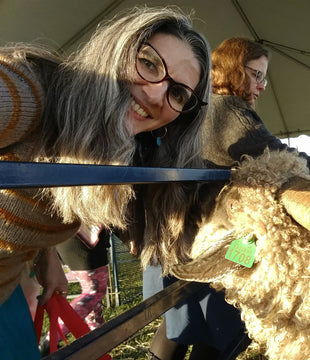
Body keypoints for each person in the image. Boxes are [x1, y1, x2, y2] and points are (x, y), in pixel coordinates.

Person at [145, 37, 310, 359]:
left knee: (177, 322)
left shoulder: (193, 109)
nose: (262, 85)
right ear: (234, 69)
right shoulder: (226, 110)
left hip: (175, 238)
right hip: (217, 240)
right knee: (223, 325)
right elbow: (285, 159)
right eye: (256, 74)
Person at [0, 6, 211, 359]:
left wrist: (44, 257)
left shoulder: (126, 152)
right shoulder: (27, 92)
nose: (157, 95)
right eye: (149, 62)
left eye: (178, 94)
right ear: (118, 48)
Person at [38, 225, 110, 355]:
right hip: (83, 236)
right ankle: (50, 340)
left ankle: (97, 346)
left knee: (93, 301)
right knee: (94, 291)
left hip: (71, 236)